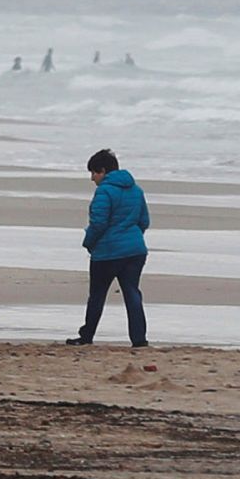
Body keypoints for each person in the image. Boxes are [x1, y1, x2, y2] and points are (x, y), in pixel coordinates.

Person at [66, 149, 150, 348]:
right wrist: (132, 237)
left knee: (97, 294)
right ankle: (139, 339)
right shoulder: (136, 190)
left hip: (107, 252)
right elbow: (144, 221)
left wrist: (89, 242)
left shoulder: (104, 191)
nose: (92, 178)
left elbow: (99, 223)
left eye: (93, 173)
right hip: (135, 250)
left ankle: (87, 336)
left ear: (102, 171)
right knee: (132, 293)